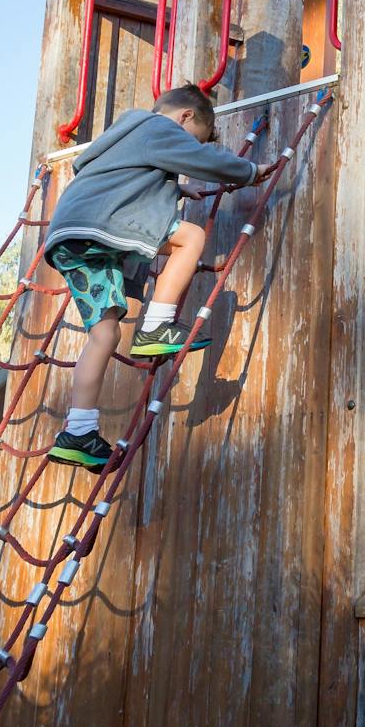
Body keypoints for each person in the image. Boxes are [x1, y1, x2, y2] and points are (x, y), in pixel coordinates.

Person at [42, 83, 259, 468]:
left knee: (104, 333)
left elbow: (130, 176)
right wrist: (250, 171)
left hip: (70, 237)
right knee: (189, 237)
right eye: (194, 138)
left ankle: (78, 432)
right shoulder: (157, 127)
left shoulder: (121, 139)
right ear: (185, 117)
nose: (188, 146)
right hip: (102, 222)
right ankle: (157, 327)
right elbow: (202, 160)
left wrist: (174, 187)